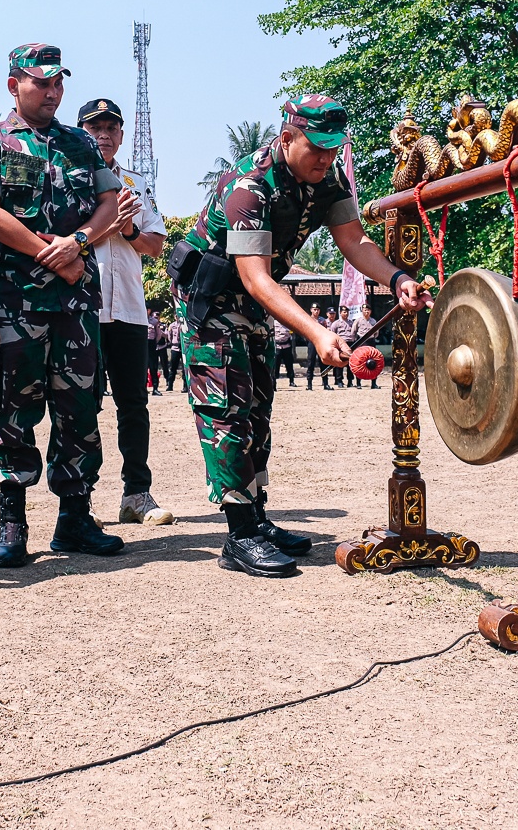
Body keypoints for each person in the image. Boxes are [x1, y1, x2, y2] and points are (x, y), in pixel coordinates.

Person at [175, 94, 428, 577]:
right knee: (226, 410)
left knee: (258, 407)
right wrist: (317, 332)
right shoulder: (249, 187)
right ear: (288, 137)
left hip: (255, 301)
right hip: (212, 301)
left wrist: (396, 279)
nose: (327, 158)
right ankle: (239, 536)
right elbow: (255, 277)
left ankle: (257, 518)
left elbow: (353, 240)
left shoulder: (328, 179)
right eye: (318, 147)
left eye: (334, 148)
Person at [0, 44, 125, 567]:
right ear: (15, 85)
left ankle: (75, 518)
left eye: (59, 83)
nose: (53, 92)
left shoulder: (81, 143)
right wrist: (50, 254)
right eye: (42, 82)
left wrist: (78, 243)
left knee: (80, 407)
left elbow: (110, 204)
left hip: (75, 302)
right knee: (15, 405)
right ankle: (13, 522)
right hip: (17, 301)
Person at [76, 97, 173, 527]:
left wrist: (129, 230)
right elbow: (64, 241)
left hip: (131, 309)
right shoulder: (70, 180)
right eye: (94, 127)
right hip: (85, 308)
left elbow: (156, 246)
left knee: (134, 404)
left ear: (120, 134)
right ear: (80, 132)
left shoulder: (134, 182)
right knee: (84, 403)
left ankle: (137, 493)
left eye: (111, 128)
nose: (103, 135)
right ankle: (82, 499)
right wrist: (105, 226)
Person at [351, 305, 380, 390]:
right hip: (361, 342)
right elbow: (353, 332)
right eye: (365, 310)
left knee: (374, 362)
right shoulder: (358, 321)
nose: (366, 312)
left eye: (368, 310)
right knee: (359, 362)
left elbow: (376, 333)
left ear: (370, 311)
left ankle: (374, 383)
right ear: (362, 311)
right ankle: (358, 383)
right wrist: (355, 342)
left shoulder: (373, 321)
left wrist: (372, 338)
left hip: (371, 342)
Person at [330, 306, 354, 387]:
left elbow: (354, 333)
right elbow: (333, 334)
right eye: (344, 312)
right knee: (340, 362)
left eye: (347, 312)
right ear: (340, 313)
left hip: (350, 344)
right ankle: (339, 380)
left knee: (350, 363)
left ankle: (350, 381)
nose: (346, 313)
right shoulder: (336, 323)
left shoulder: (351, 323)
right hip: (341, 345)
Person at [271, 317, 296, 386]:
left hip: (287, 346)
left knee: (289, 365)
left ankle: (291, 381)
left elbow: (292, 334)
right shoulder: (273, 323)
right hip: (277, 346)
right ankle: (274, 383)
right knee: (275, 366)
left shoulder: (287, 323)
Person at [146, 307, 163, 396]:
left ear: (149, 310)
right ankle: (143, 389)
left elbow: (159, 334)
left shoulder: (154, 321)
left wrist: (154, 342)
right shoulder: (139, 320)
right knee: (142, 368)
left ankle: (155, 388)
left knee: (153, 367)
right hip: (142, 345)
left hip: (151, 344)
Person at [164, 314, 183, 391]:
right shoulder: (172, 326)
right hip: (175, 348)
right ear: (175, 317)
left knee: (184, 368)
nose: (177, 317)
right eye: (176, 316)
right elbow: (169, 336)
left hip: (183, 348)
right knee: (173, 368)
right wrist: (173, 343)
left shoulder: (184, 325)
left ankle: (185, 386)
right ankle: (170, 385)